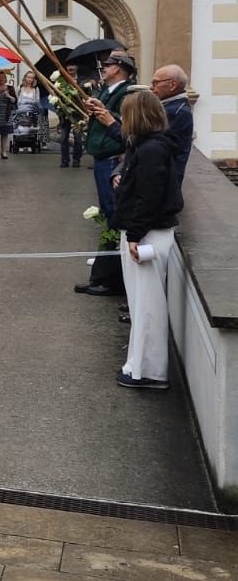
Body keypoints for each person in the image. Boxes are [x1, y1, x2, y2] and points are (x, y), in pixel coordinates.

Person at [114, 89, 183, 390]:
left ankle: (150, 371)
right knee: (141, 303)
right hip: (146, 231)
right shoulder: (149, 146)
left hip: (147, 234)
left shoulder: (152, 150)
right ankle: (139, 365)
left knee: (147, 305)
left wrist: (134, 234)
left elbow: (149, 196)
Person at [75, 51, 136, 296]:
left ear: (118, 68)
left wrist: (106, 114)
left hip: (112, 159)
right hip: (103, 157)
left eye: (108, 65)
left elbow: (127, 125)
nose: (104, 68)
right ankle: (101, 275)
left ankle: (110, 279)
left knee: (113, 215)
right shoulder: (106, 90)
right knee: (109, 214)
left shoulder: (128, 92)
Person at [150, 65, 193, 184]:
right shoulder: (171, 107)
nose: (152, 87)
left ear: (172, 85)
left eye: (155, 83)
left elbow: (153, 144)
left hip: (163, 181)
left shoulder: (176, 111)